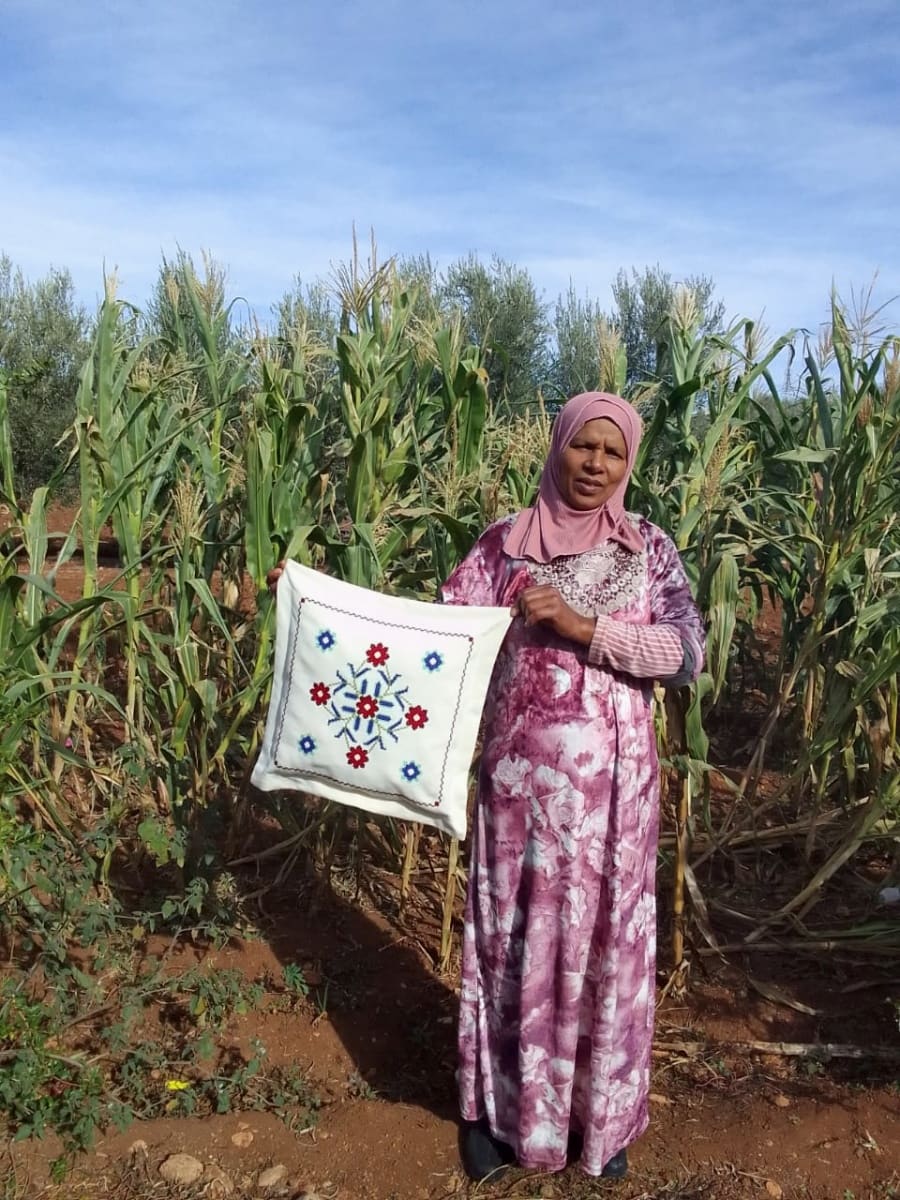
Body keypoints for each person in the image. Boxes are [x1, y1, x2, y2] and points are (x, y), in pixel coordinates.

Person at [439, 391, 705, 1181]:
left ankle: (599, 1122)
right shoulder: (504, 548)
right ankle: (493, 1117)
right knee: (511, 944)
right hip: (519, 800)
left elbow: (687, 656)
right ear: (558, 448)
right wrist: (315, 596)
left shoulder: (648, 551)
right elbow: (435, 636)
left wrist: (589, 629)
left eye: (612, 453)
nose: (595, 465)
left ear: (629, 464)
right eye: (583, 448)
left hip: (613, 805)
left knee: (602, 948)